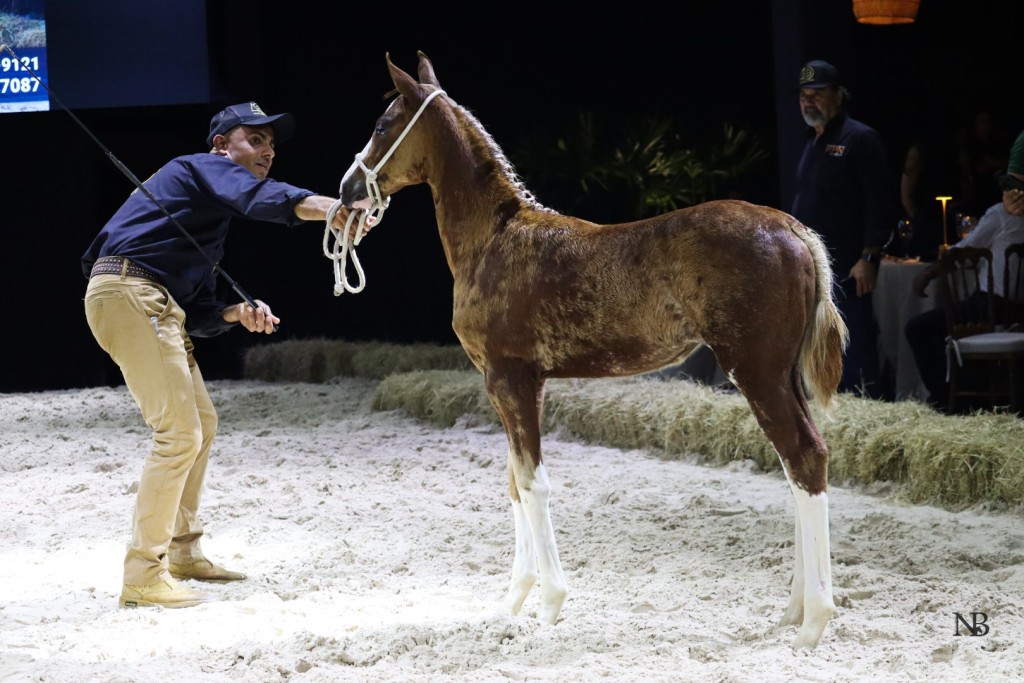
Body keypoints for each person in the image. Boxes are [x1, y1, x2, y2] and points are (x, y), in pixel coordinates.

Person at [82, 102, 350, 608]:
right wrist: (331, 208)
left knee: (201, 423)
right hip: (130, 292)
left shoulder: (204, 216)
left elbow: (200, 311)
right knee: (178, 433)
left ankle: (182, 551)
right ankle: (143, 576)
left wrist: (236, 313)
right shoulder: (198, 167)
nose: (268, 151)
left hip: (148, 298)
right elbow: (260, 198)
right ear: (221, 146)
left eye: (272, 144)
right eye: (255, 139)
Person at [790, 60, 896, 397]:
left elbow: (879, 203)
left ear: (838, 95)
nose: (809, 102)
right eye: (804, 96)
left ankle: (871, 405)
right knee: (824, 348)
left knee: (856, 344)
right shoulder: (811, 141)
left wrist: (869, 257)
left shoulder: (860, 138)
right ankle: (836, 408)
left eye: (817, 94)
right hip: (814, 266)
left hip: (849, 267)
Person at [905, 129, 1024, 411]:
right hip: (1016, 308)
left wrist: (929, 273)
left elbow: (963, 250)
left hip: (992, 305)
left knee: (918, 328)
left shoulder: (1001, 214)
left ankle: (946, 399)